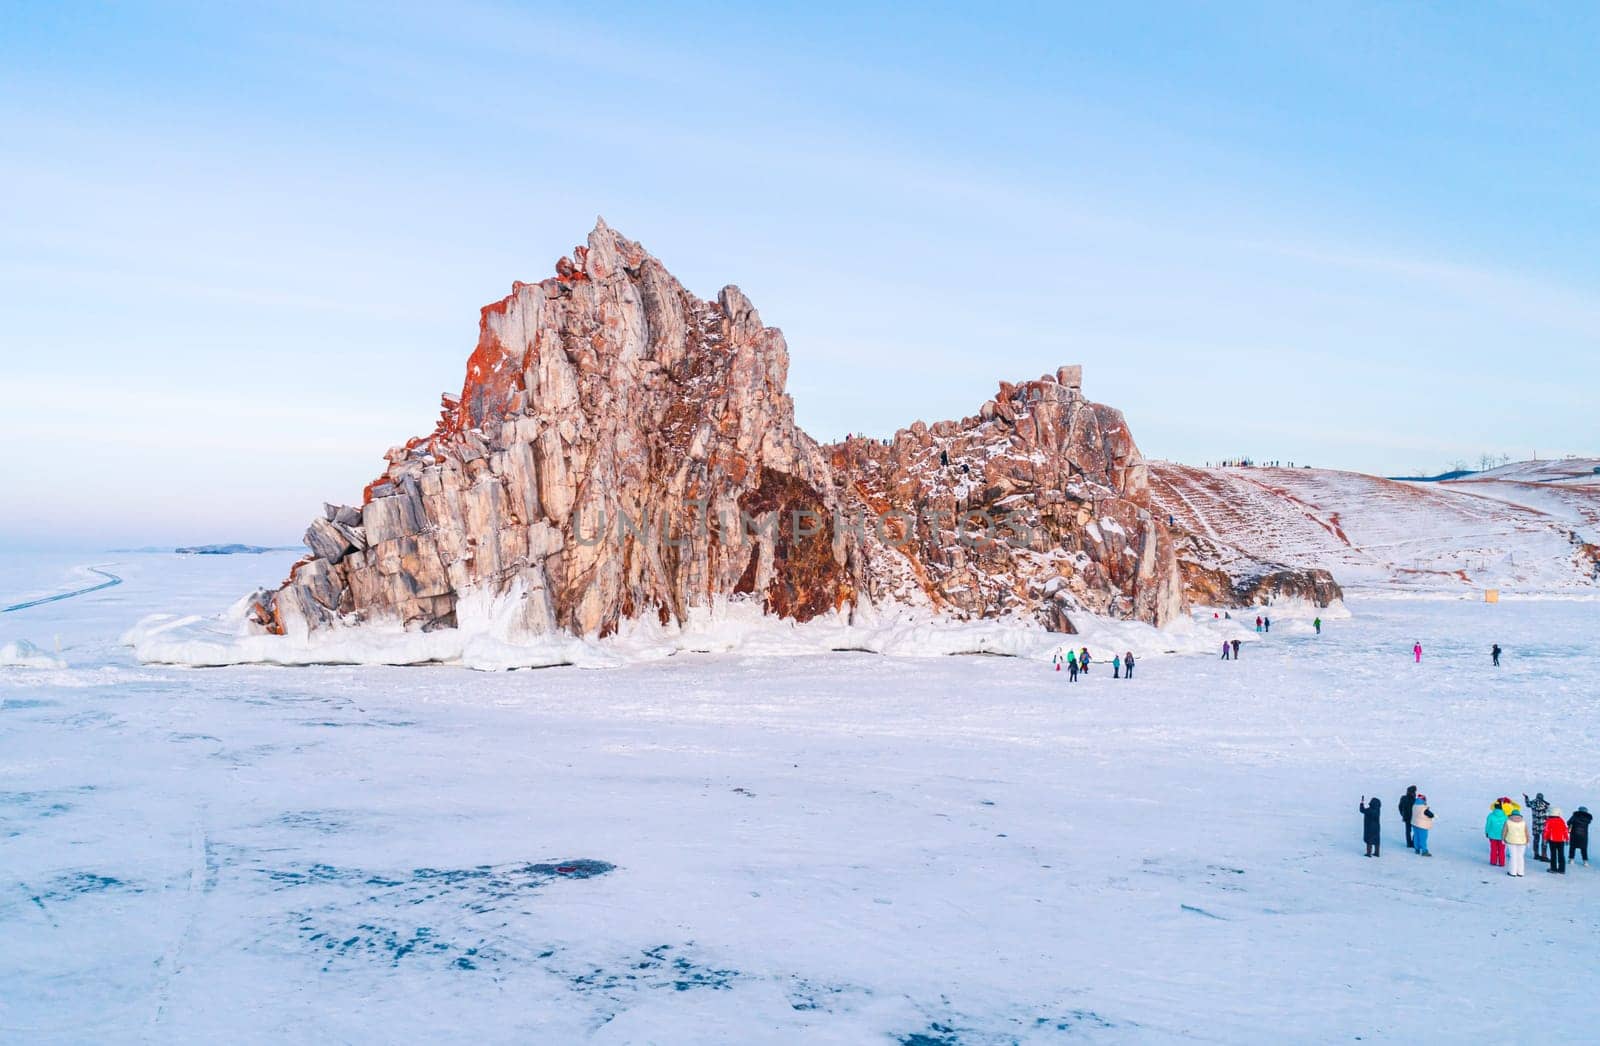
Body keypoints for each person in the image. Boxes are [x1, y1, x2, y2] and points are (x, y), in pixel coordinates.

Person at [1524, 793, 1551, 860]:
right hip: (1543, 826)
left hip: (1535, 825)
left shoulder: (1533, 803)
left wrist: (1526, 798)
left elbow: (1527, 804)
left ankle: (1536, 854)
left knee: (1536, 840)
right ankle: (1544, 855)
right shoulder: (1546, 805)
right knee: (1544, 840)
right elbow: (1548, 814)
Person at [1504, 809, 1530, 876]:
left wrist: (1503, 839)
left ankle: (1512, 872)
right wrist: (1528, 840)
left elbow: (1505, 831)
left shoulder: (1508, 822)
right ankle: (1520, 872)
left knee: (1513, 856)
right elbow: (1526, 832)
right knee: (1520, 857)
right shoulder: (1523, 822)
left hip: (1511, 841)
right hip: (1522, 842)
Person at [1545, 809, 1570, 874]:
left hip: (1552, 840)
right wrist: (1567, 839)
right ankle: (1562, 869)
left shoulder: (1549, 821)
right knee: (1561, 854)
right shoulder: (1561, 820)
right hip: (1561, 840)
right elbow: (1565, 830)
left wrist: (1545, 839)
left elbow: (1547, 831)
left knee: (1553, 854)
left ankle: (1553, 869)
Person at [1485, 801, 1508, 867]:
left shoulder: (1490, 815)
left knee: (1493, 849)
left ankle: (1493, 861)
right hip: (1502, 836)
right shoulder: (1505, 816)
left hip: (1492, 836)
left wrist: (1486, 832)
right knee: (1502, 850)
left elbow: (1488, 825)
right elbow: (1507, 826)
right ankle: (1501, 862)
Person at [1399, 785, 1418, 849]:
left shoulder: (1403, 798)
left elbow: (1400, 807)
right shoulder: (1414, 799)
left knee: (1408, 831)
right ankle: (1412, 842)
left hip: (1407, 817)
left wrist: (1402, 814)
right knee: (1415, 830)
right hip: (1413, 817)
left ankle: (1409, 843)